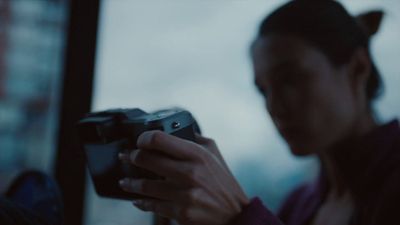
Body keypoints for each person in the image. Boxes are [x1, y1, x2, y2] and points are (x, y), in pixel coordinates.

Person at [117, 0, 400, 225]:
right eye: (263, 90)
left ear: (358, 68)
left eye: (291, 79)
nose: (274, 106)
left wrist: (238, 218)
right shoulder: (298, 205)